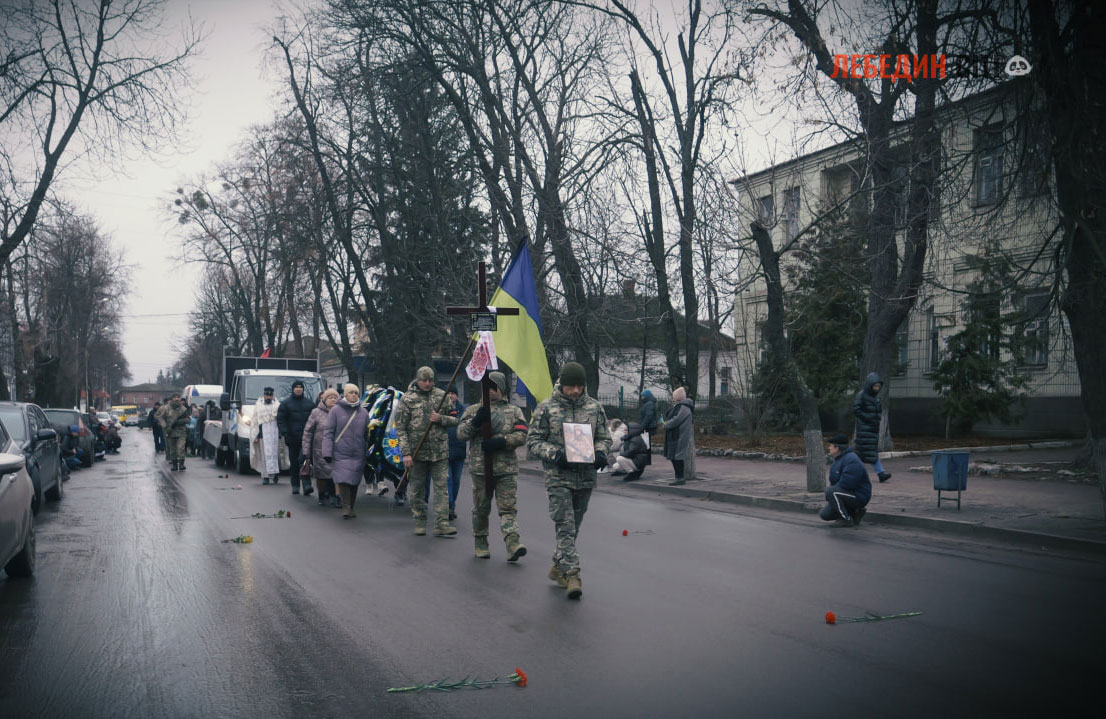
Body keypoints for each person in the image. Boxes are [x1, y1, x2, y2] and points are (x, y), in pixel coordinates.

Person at [527, 361, 611, 600]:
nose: (575, 390)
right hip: (558, 477)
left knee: (575, 524)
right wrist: (556, 454)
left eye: (579, 386)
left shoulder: (594, 407)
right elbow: (533, 442)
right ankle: (573, 574)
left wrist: (602, 452)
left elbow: (604, 436)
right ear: (562, 385)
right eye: (571, 386)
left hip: (585, 477)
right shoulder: (546, 408)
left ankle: (558, 565)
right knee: (565, 524)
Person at [456, 371, 529, 561]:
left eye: (494, 387)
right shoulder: (473, 410)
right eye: (487, 387)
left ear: (501, 388)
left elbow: (522, 435)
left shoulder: (514, 411)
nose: (490, 391)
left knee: (508, 508)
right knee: (481, 508)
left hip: (506, 469)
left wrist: (502, 442)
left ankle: (512, 543)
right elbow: (461, 434)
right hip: (481, 469)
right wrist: (476, 422)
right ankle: (481, 542)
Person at [395, 366, 459, 536]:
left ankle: (441, 524)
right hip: (417, 453)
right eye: (424, 380)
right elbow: (400, 428)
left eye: (430, 380)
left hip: (439, 451)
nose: (428, 383)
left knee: (442, 488)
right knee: (417, 488)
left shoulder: (442, 396)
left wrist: (442, 419)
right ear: (418, 380)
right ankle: (420, 521)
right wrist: (406, 453)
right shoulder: (408, 399)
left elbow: (455, 418)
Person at [322, 384, 371, 519]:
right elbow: (328, 432)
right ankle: (345, 507)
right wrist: (327, 451)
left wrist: (367, 451)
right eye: (351, 392)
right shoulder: (335, 411)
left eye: (356, 392)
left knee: (354, 480)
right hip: (340, 451)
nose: (354, 395)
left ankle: (351, 507)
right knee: (343, 479)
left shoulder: (363, 412)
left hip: (358, 452)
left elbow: (367, 434)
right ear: (345, 394)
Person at [819, 433, 871, 526]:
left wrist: (831, 493)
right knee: (824, 514)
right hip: (845, 493)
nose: (829, 448)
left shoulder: (851, 460)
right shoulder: (838, 459)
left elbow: (848, 484)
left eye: (830, 446)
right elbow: (835, 482)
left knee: (831, 491)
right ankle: (855, 513)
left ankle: (845, 520)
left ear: (837, 448)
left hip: (859, 496)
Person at [278, 379, 317, 497]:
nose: (299, 389)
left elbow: (315, 419)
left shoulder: (309, 404)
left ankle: (306, 484)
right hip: (291, 438)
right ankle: (295, 485)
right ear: (293, 389)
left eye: (301, 387)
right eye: (296, 387)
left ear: (303, 389)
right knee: (294, 462)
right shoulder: (285, 404)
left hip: (306, 438)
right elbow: (281, 420)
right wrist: (284, 432)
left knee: (304, 460)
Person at [303, 388, 340, 507]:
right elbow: (308, 432)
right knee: (322, 475)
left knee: (336, 473)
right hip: (320, 450)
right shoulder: (316, 412)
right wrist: (306, 450)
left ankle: (335, 495)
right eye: (330, 397)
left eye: (335, 397)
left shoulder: (341, 412)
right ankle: (322, 495)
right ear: (324, 399)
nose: (333, 399)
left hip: (338, 449)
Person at [853, 372, 892, 482]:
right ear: (870, 385)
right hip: (864, 429)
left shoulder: (876, 397)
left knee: (868, 453)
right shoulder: (862, 395)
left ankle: (879, 473)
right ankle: (880, 473)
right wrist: (867, 418)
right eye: (875, 386)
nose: (877, 388)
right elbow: (856, 409)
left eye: (878, 386)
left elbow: (878, 411)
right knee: (867, 453)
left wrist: (877, 419)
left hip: (872, 429)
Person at [250, 387, 286, 484]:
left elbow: (281, 419)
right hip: (263, 434)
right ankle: (265, 477)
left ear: (273, 395)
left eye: (270, 395)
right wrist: (256, 436)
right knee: (264, 456)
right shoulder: (258, 406)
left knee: (275, 455)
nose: (268, 397)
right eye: (267, 395)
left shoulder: (278, 405)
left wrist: (281, 433)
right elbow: (255, 422)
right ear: (264, 395)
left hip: (275, 432)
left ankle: (275, 474)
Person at [662, 386, 695, 486]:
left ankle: (680, 477)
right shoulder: (680, 406)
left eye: (674, 398)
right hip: (675, 435)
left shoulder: (684, 407)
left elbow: (676, 420)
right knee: (674, 457)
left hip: (679, 435)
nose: (673, 400)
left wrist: (666, 424)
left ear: (678, 398)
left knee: (677, 457)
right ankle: (678, 477)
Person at [445, 385, 466, 521]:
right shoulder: (442, 408)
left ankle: (452, 504)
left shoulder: (463, 410)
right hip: (445, 450)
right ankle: (449, 506)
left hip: (459, 451)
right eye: (449, 393)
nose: (451, 396)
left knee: (456, 480)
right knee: (448, 480)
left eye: (453, 393)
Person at [156, 394, 191, 471]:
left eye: (178, 397)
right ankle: (175, 465)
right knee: (172, 449)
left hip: (181, 432)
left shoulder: (183, 409)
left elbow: (188, 420)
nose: (176, 399)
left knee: (180, 448)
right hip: (170, 431)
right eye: (175, 397)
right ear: (172, 399)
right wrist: (165, 426)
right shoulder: (166, 408)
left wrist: (179, 422)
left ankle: (181, 464)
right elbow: (160, 418)